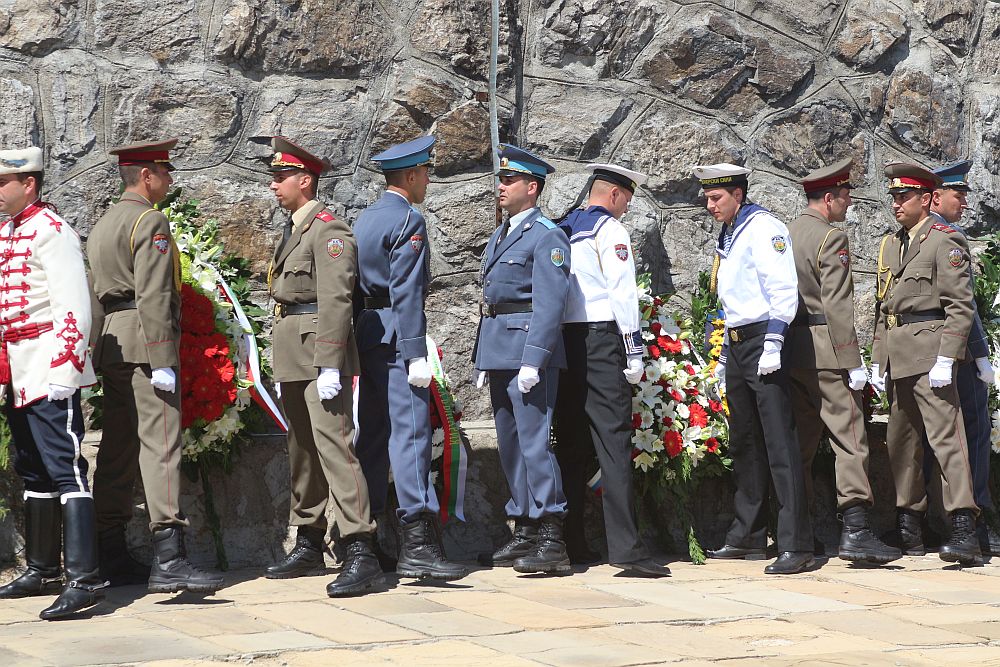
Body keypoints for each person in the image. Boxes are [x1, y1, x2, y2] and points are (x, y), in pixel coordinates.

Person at [88, 139, 224, 594]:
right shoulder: (150, 220)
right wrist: (163, 356)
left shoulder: (103, 224)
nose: (168, 181)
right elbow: (154, 292)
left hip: (112, 343)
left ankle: (108, 548)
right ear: (146, 176)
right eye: (164, 173)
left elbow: (93, 297)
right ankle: (169, 556)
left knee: (118, 447)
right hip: (146, 342)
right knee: (161, 443)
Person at [263, 137, 382, 597]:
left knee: (334, 447)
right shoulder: (295, 230)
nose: (274, 185)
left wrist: (331, 362)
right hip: (294, 348)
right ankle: (309, 537)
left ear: (305, 180)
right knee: (302, 450)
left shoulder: (328, 230)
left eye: (281, 177)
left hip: (318, 351)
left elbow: (336, 298)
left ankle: (360, 546)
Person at [354, 135, 467, 581]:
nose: (427, 182)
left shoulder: (364, 219)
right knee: (413, 434)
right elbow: (406, 291)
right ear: (414, 175)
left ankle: (369, 540)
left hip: (368, 335)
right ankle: (417, 543)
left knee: (374, 436)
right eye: (426, 174)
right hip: (399, 337)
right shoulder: (408, 220)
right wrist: (416, 352)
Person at [0, 147, 104, 619]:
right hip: (17, 366)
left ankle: (85, 578)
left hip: (48, 361)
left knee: (66, 468)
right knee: (32, 466)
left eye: (5, 182)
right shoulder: (8, 231)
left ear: (29, 184)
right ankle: (42, 568)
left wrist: (66, 368)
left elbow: (73, 304)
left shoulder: (53, 231)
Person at [694, 163, 813, 575]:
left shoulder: (764, 228)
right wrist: (725, 351)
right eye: (707, 198)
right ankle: (748, 534)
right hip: (739, 340)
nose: (710, 205)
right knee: (744, 441)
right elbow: (732, 298)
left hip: (765, 339)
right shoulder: (731, 230)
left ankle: (797, 543)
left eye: (717, 197)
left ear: (738, 195)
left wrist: (775, 341)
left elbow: (782, 288)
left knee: (780, 442)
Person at [553, 163, 669, 577]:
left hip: (564, 341)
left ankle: (568, 542)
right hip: (602, 341)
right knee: (614, 442)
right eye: (627, 203)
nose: (625, 211)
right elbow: (622, 292)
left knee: (570, 445)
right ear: (616, 195)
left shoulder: (563, 227)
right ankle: (626, 549)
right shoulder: (610, 230)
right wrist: (634, 351)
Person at [785, 158, 901, 565]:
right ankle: (856, 530)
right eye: (846, 195)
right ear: (829, 197)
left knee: (798, 443)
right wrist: (853, 360)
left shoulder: (788, 233)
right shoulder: (830, 237)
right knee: (851, 439)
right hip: (826, 350)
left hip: (791, 350)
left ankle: (793, 530)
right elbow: (836, 304)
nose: (849, 202)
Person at [872, 162, 981, 565]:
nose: (897, 203)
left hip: (931, 353)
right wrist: (876, 356)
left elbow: (960, 307)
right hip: (899, 356)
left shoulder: (944, 242)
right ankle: (909, 525)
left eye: (904, 197)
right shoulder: (892, 243)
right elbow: (884, 306)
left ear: (926, 199)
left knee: (947, 441)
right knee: (902, 444)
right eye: (894, 197)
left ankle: (963, 526)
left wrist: (946, 358)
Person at [473, 144, 571, 574]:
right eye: (502, 179)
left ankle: (552, 533)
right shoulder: (504, 232)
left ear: (532, 188)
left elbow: (550, 304)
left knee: (535, 443)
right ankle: (525, 525)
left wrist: (535, 359)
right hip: (499, 348)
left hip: (528, 351)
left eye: (509, 181)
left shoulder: (547, 234)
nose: (501, 186)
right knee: (510, 444)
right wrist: (484, 356)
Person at [929, 160, 999, 556]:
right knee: (971, 435)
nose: (965, 204)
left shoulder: (914, 236)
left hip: (931, 352)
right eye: (959, 195)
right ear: (936, 196)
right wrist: (981, 355)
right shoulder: (948, 236)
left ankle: (942, 521)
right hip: (957, 355)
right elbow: (963, 306)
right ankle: (976, 519)